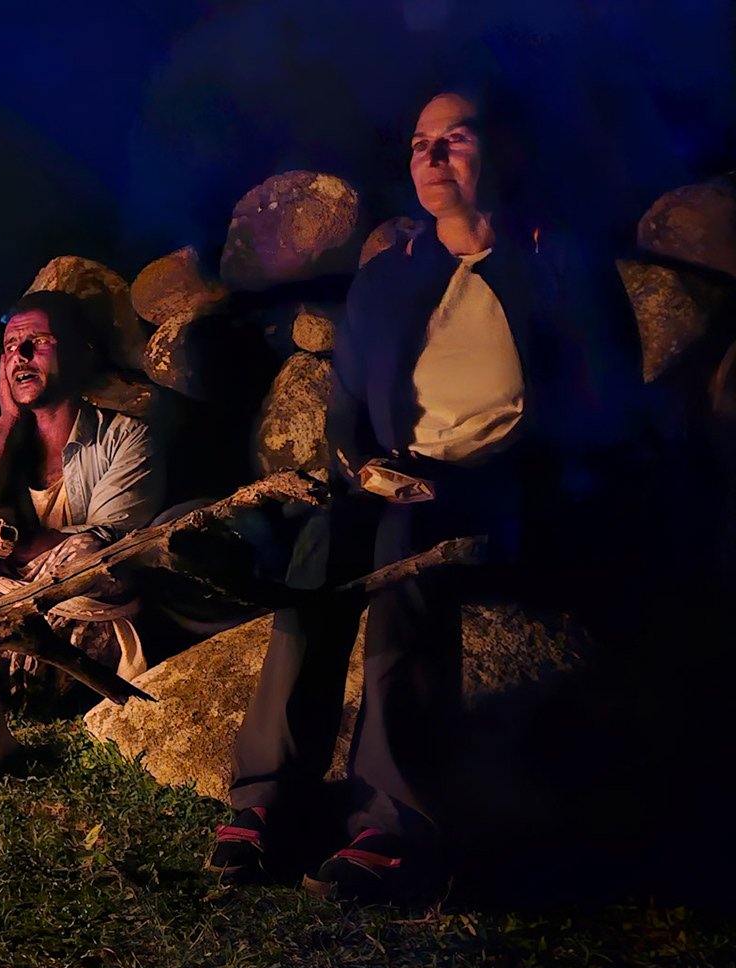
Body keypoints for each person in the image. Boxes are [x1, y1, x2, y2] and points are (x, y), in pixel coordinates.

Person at [208, 90, 644, 904]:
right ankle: (266, 799)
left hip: (510, 487)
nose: (432, 157)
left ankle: (391, 823)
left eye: (456, 139)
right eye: (418, 143)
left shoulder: (558, 267)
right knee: (325, 541)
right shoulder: (388, 280)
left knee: (406, 538)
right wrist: (360, 467)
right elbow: (345, 410)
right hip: (400, 476)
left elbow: (607, 407)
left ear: (502, 155)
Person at [0, 290, 163, 777]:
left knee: (89, 556)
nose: (19, 356)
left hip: (76, 629)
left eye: (36, 342)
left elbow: (109, 553)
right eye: (10, 346)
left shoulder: (128, 438)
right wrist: (5, 421)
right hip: (9, 620)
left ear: (76, 352)